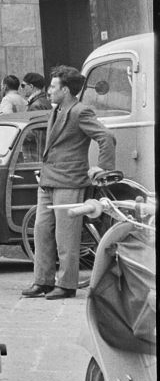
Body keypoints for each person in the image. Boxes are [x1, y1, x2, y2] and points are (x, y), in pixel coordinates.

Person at [22, 66, 116, 300]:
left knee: (66, 237)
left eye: (53, 86)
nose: (49, 90)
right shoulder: (58, 109)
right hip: (49, 180)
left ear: (65, 89)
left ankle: (66, 284)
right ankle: (43, 280)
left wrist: (102, 168)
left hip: (70, 181)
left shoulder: (80, 111)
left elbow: (106, 137)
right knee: (42, 231)